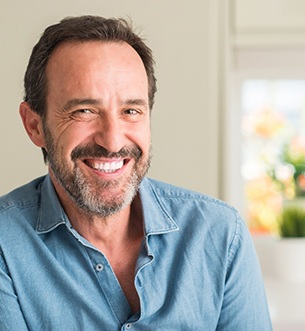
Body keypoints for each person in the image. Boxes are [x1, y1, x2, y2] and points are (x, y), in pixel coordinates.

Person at [0, 15, 272, 330]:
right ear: (35, 126)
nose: (113, 140)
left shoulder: (221, 235)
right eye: (84, 111)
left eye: (131, 111)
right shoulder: (6, 246)